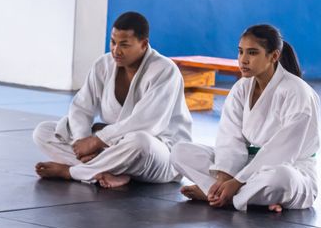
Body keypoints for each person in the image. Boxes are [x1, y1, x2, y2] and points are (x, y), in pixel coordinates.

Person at [33, 11, 192, 188]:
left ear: (143, 44)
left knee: (140, 141)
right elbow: (81, 107)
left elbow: (146, 123)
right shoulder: (103, 65)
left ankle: (73, 172)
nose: (116, 50)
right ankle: (108, 171)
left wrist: (96, 141)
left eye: (124, 45)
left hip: (159, 154)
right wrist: (82, 141)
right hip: (115, 148)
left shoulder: (164, 70)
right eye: (113, 42)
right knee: (44, 131)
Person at [172, 24, 319, 212]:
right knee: (180, 151)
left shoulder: (297, 92)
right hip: (246, 164)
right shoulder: (242, 87)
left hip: (291, 169)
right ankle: (242, 196)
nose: (243, 60)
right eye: (240, 52)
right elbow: (229, 137)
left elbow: (283, 151)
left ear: (274, 56)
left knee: (281, 178)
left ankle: (217, 194)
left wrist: (238, 181)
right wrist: (227, 176)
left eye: (252, 53)